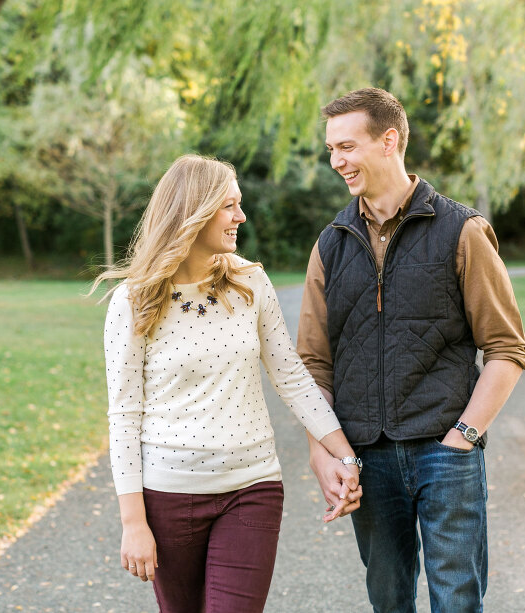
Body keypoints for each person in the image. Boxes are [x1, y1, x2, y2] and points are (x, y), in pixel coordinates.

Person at [94, 154, 361, 613]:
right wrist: (133, 522)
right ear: (192, 211)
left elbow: (292, 377)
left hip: (251, 488)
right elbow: (124, 416)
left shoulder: (250, 281)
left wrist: (343, 453)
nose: (241, 216)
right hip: (168, 496)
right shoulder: (133, 301)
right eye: (229, 206)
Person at [298, 88, 525, 612]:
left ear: (389, 140)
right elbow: (313, 361)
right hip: (366, 457)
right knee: (387, 600)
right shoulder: (329, 243)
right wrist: (323, 447)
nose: (337, 161)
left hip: (445, 452)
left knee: (456, 600)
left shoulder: (462, 231)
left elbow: (507, 348)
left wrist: (463, 437)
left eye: (347, 146)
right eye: (331, 149)